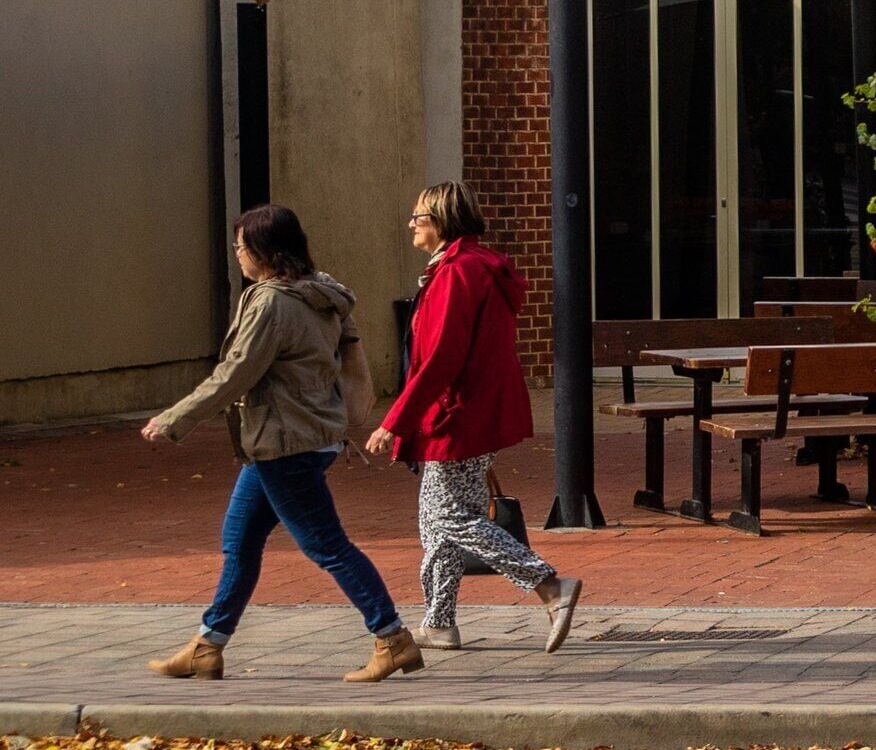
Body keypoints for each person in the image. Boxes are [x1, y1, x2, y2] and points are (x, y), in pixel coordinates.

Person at [141, 204, 419, 683]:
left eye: (241, 248)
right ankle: (208, 645)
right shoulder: (321, 293)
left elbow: (236, 373)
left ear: (265, 252)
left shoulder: (272, 302)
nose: (237, 256)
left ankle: (392, 637)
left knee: (327, 546)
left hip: (285, 442)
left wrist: (174, 418)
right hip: (305, 435)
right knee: (240, 541)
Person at [368, 183, 582, 653]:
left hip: (457, 413)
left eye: (419, 216)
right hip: (471, 409)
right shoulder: (471, 267)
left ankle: (549, 585)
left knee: (450, 516)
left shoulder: (457, 272)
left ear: (442, 221)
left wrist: (394, 421)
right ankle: (439, 621)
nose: (412, 223)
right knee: (435, 518)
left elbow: (442, 357)